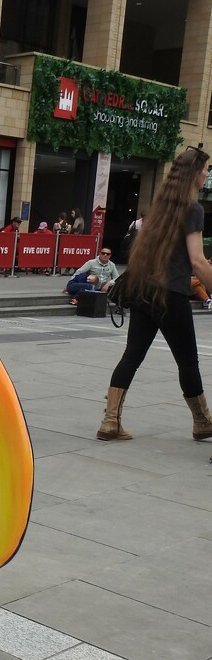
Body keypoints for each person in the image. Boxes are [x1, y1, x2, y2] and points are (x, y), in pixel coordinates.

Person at [96, 146, 212, 443]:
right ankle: (202, 422)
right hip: (171, 293)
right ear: (194, 174)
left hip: (144, 291)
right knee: (187, 362)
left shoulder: (158, 208)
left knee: (132, 356)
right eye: (205, 169)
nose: (207, 173)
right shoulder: (193, 209)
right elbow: (197, 261)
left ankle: (110, 422)